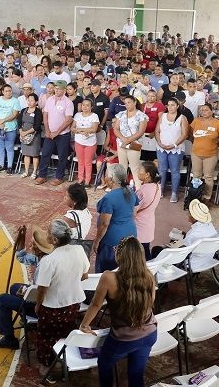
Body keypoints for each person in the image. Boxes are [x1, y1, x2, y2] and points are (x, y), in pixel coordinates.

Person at [79, 236, 157, 387]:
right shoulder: (149, 275)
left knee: (104, 363)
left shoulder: (109, 277)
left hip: (123, 338)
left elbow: (96, 305)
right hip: (149, 333)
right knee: (136, 374)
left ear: (120, 255)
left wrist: (84, 325)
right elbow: (151, 303)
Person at [33, 219, 90, 373]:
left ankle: (47, 365)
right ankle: (64, 358)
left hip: (52, 306)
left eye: (49, 233)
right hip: (73, 302)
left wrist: (38, 305)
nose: (46, 234)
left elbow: (42, 288)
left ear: (55, 240)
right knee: (65, 332)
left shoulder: (49, 260)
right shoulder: (79, 250)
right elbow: (85, 275)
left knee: (46, 336)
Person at [0, 227, 54, 349]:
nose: (30, 245)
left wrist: (30, 298)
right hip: (45, 297)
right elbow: (22, 257)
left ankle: (8, 338)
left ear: (39, 250)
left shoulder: (44, 267)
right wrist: (22, 238)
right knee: (14, 288)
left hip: (42, 307)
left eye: (33, 244)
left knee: (2, 300)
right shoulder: (44, 258)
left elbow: (40, 293)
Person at [93, 164, 139, 271]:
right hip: (130, 235)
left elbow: (104, 224)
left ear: (111, 179)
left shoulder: (109, 198)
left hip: (113, 240)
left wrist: (96, 241)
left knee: (107, 271)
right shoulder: (131, 192)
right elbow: (134, 214)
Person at [35, 81, 74, 186]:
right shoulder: (50, 100)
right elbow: (45, 115)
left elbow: (68, 120)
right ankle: (42, 175)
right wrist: (47, 130)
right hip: (49, 133)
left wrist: (57, 132)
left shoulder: (68, 102)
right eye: (55, 88)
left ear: (64, 90)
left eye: (59, 88)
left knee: (62, 157)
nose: (56, 90)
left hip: (63, 134)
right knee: (45, 154)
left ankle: (59, 177)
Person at [189, 103, 219, 201]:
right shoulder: (196, 121)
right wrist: (195, 142)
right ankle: (195, 196)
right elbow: (190, 134)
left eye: (206, 110)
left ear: (211, 111)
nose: (203, 112)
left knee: (208, 177)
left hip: (210, 155)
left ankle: (206, 197)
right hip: (196, 153)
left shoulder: (218, 123)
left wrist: (216, 145)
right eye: (202, 110)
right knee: (196, 176)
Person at [154, 97, 188, 203]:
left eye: (173, 105)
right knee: (161, 170)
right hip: (162, 147)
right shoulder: (163, 116)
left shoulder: (182, 118)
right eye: (168, 105)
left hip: (176, 148)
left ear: (177, 106)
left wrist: (174, 145)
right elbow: (157, 131)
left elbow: (184, 134)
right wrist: (159, 142)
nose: (170, 107)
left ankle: (174, 193)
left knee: (175, 171)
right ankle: (160, 190)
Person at [113, 95, 148, 188]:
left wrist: (128, 140)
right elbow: (116, 129)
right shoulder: (121, 114)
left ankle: (139, 190)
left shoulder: (141, 116)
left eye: (129, 102)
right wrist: (123, 139)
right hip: (121, 144)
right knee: (122, 167)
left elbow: (141, 132)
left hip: (134, 144)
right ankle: (122, 189)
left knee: (134, 168)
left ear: (135, 102)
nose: (127, 105)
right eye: (125, 103)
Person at [134, 162, 161, 257]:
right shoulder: (157, 186)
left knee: (141, 254)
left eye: (140, 170)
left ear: (147, 175)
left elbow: (133, 210)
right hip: (148, 223)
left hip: (139, 226)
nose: (137, 172)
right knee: (145, 250)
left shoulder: (142, 191)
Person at [0, 84, 21, 174]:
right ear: (3, 92)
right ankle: (1, 165)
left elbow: (14, 114)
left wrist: (3, 121)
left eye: (10, 91)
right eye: (6, 91)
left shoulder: (15, 101)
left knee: (9, 147)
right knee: (0, 147)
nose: (8, 93)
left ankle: (9, 166)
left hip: (10, 127)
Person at [72, 98, 101, 185]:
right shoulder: (77, 115)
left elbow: (94, 129)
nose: (85, 107)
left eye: (87, 105)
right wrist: (83, 131)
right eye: (83, 105)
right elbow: (72, 128)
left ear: (91, 107)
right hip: (79, 141)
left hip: (90, 143)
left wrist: (81, 130)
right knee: (80, 162)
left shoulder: (94, 116)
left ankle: (88, 180)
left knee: (87, 162)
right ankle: (80, 179)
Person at [18, 92, 43, 179]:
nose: (30, 102)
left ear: (36, 102)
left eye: (32, 100)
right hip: (24, 135)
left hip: (34, 136)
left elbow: (37, 125)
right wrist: (21, 131)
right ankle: (26, 171)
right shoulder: (23, 110)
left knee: (34, 154)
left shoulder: (38, 112)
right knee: (26, 154)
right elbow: (19, 122)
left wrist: (27, 132)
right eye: (28, 100)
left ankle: (35, 172)